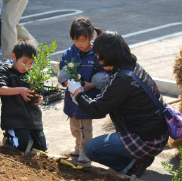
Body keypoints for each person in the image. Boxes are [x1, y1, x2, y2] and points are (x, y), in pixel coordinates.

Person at [67, 30, 169, 177]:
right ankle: (139, 158)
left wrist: (77, 92)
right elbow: (108, 99)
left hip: (147, 140)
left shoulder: (122, 79)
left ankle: (131, 167)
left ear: (109, 55)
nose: (96, 58)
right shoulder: (131, 66)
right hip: (157, 134)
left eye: (98, 55)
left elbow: (96, 110)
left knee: (91, 149)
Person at [58, 17, 108, 163]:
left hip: (88, 98)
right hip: (72, 98)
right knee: (74, 126)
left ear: (91, 37)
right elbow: (63, 70)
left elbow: (104, 74)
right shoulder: (69, 53)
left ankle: (84, 151)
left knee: (85, 128)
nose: (79, 44)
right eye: (76, 40)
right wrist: (69, 83)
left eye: (82, 40)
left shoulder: (97, 54)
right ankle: (78, 145)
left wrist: (90, 85)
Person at [0, 39, 48, 152]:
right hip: (15, 118)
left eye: (31, 63)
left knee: (42, 147)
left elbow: (40, 90)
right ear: (14, 57)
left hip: (33, 118)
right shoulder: (5, 71)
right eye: (24, 61)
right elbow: (0, 89)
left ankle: (27, 136)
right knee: (23, 146)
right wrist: (19, 90)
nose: (27, 66)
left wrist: (40, 97)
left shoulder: (33, 73)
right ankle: (10, 136)